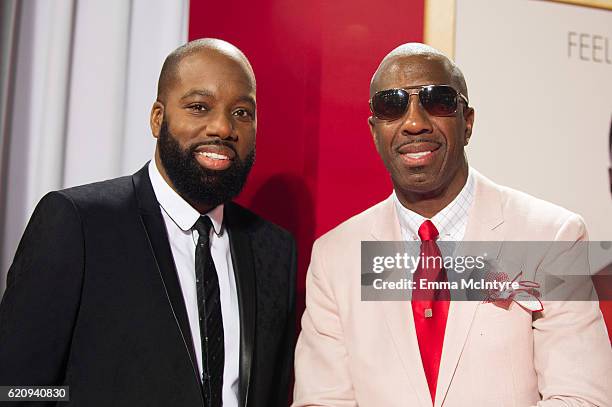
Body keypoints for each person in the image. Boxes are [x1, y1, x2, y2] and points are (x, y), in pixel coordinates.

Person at [293, 43, 611, 406]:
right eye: (391, 106)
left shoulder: (554, 236)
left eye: (438, 101)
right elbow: (322, 400)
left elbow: (583, 398)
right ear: (374, 130)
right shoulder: (336, 257)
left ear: (468, 121)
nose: (414, 123)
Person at [0, 38, 296, 407]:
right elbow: (16, 389)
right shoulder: (78, 223)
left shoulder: (273, 249)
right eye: (199, 107)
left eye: (242, 113)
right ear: (158, 118)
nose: (222, 127)